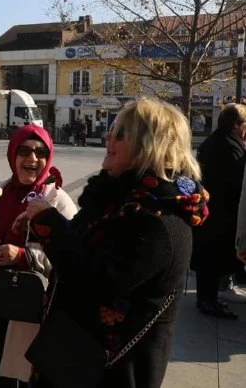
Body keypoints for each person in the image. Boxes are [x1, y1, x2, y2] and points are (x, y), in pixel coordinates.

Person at [23, 97, 209, 388]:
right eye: (112, 129)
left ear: (149, 146)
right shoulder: (117, 198)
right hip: (69, 356)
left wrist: (49, 223)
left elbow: (95, 280)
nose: (108, 136)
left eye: (120, 133)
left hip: (111, 373)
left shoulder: (158, 220)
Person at [0, 124, 77, 387]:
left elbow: (73, 255)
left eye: (40, 152)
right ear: (12, 154)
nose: (32, 159)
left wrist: (23, 255)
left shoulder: (56, 200)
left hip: (31, 313)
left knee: (25, 377)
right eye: (24, 151)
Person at [193, 103, 246, 317]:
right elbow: (238, 183)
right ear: (236, 125)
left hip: (209, 212)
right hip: (221, 215)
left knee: (208, 260)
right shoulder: (230, 146)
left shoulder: (212, 141)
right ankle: (209, 301)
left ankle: (206, 299)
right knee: (213, 261)